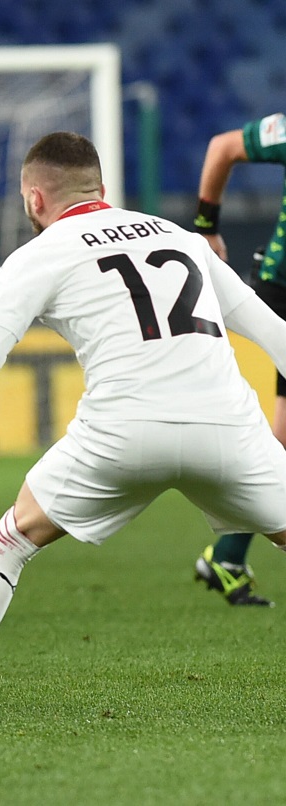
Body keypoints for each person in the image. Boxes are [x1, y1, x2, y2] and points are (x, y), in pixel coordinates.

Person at [0, 131, 286, 739]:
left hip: (122, 434)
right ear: (104, 189)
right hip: (227, 428)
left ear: (35, 200)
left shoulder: (39, 254)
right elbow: (273, 333)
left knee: (9, 544)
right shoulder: (181, 238)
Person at [187, 116, 286, 606]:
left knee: (282, 435)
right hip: (282, 289)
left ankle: (225, 556)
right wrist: (206, 227)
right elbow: (222, 146)